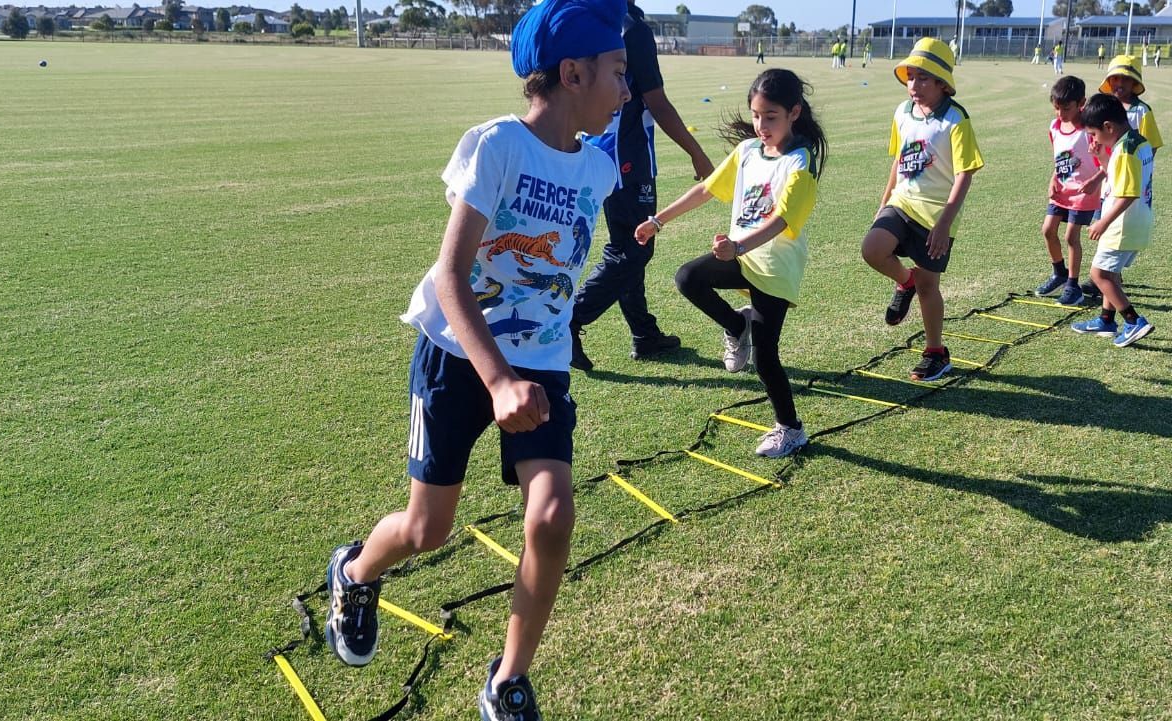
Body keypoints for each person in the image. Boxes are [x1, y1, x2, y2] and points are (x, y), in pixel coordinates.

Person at [319, 2, 626, 719]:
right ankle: (357, 572)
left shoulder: (600, 165)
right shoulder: (496, 148)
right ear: (572, 73)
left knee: (551, 517)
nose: (626, 87)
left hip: (542, 364)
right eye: (618, 72)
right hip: (461, 355)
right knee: (429, 530)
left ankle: (508, 678)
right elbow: (452, 277)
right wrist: (497, 380)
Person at [635, 68, 828, 458]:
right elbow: (707, 189)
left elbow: (783, 220)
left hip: (775, 267)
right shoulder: (747, 152)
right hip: (742, 254)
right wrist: (658, 221)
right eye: (756, 115)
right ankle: (735, 324)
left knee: (765, 357)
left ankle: (791, 429)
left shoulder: (800, 162)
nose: (760, 125)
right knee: (688, 277)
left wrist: (738, 248)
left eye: (770, 117)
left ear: (794, 113)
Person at [570, 0, 714, 372]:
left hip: (596, 147)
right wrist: (697, 153)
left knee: (630, 243)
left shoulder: (593, 18)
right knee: (633, 248)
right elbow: (658, 103)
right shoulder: (632, 29)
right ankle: (571, 319)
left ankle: (644, 334)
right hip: (627, 157)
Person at [861, 37, 984, 382]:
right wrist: (883, 202)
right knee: (872, 250)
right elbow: (898, 162)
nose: (914, 85)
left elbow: (965, 174)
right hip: (902, 202)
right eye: (910, 76)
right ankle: (904, 282)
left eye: (924, 78)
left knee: (930, 287)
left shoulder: (956, 120)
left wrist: (945, 223)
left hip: (936, 215)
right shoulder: (902, 112)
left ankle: (936, 352)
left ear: (943, 83)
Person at [1070, 93, 1155, 348]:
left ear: (1108, 126)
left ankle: (1133, 321)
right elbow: (1120, 176)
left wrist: (1102, 222)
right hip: (1136, 222)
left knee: (1099, 274)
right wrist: (1102, 159)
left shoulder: (1126, 150)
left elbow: (1128, 193)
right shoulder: (1137, 143)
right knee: (1111, 271)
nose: (1094, 140)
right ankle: (1106, 320)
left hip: (1122, 224)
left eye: (1094, 134)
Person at [1035, 75, 1103, 307]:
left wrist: (1096, 180)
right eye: (1056, 108)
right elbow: (1060, 159)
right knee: (1047, 230)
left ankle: (1073, 286)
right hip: (1062, 191)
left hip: (1084, 193)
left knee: (1071, 236)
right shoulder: (1054, 127)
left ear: (1081, 103)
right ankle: (1059, 273)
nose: (1061, 114)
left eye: (1066, 108)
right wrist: (1053, 178)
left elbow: (1109, 161)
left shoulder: (1090, 130)